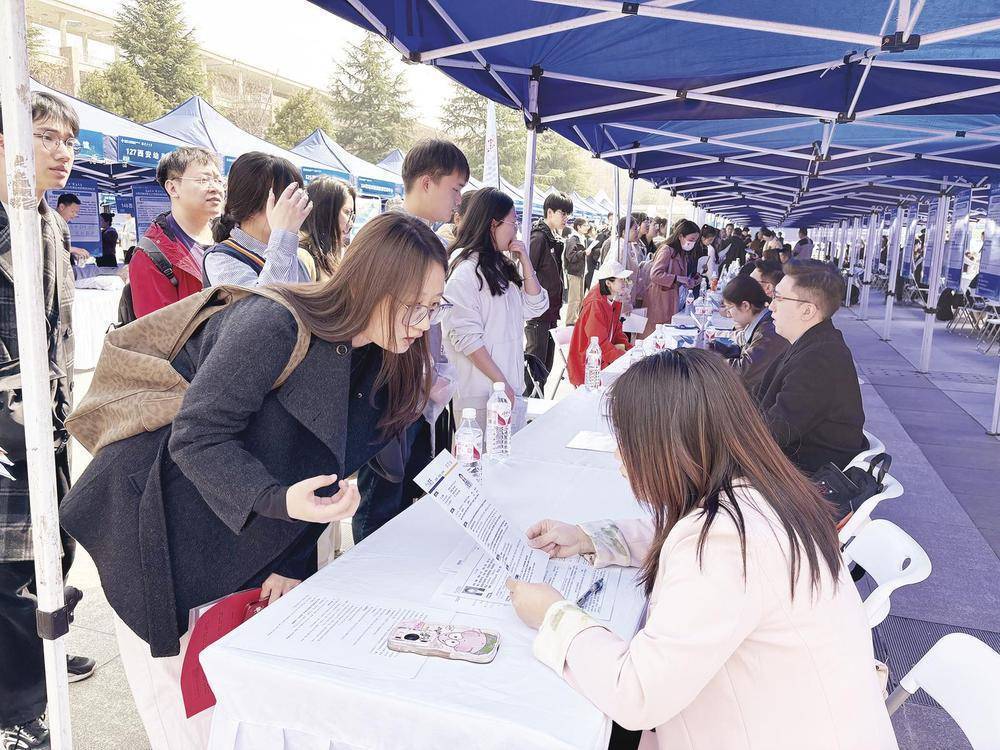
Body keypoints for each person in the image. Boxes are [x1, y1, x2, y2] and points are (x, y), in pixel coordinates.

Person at [60, 213, 448, 750]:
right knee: (187, 722)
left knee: (243, 716)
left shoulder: (384, 360)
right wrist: (277, 499)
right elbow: (196, 436)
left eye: (435, 306)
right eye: (413, 306)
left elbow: (330, 468)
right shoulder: (274, 322)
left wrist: (294, 557)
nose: (423, 322)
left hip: (248, 548)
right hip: (158, 528)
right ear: (369, 283)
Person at [506, 349, 897, 750]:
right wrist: (589, 538)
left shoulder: (726, 542)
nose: (618, 455)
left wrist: (553, 616)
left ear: (666, 445)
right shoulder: (764, 493)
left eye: (626, 440)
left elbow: (637, 693)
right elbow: (673, 532)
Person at [1, 91, 95, 750]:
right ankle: (18, 707)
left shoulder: (51, 223)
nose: (62, 151)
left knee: (53, 548)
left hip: (49, 420)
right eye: (46, 137)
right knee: (10, 563)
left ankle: (41, 659)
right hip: (6, 422)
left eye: (68, 140)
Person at [353, 139, 468, 543]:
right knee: (379, 502)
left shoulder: (431, 241)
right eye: (455, 188)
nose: (459, 200)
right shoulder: (387, 239)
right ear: (426, 182)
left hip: (417, 394)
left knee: (403, 500)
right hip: (385, 393)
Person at [442, 188, 548, 429]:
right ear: (493, 224)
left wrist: (526, 261)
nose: (516, 230)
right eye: (513, 223)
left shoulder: (500, 267)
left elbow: (535, 306)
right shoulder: (465, 273)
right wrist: (501, 384)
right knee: (484, 453)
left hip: (507, 388)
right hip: (480, 396)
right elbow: (467, 339)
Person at [756, 260, 867, 473]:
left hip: (803, 479)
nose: (771, 306)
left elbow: (774, 431)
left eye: (779, 298)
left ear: (807, 311)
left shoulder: (821, 359)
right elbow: (757, 399)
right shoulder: (812, 344)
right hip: (790, 465)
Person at [129, 147, 223, 317]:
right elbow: (157, 330)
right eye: (203, 180)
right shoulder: (151, 256)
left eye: (218, 180)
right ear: (172, 188)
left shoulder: (229, 236)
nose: (215, 187)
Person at [202, 152, 312, 287]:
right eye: (285, 199)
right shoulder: (220, 259)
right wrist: (283, 235)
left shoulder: (293, 256)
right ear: (250, 205)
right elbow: (267, 300)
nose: (294, 207)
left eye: (298, 197)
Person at [523, 192, 572, 395]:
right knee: (536, 366)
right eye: (563, 213)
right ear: (550, 212)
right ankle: (531, 402)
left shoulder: (552, 238)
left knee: (546, 365)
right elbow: (526, 272)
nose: (566, 218)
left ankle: (537, 400)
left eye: (568, 214)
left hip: (550, 311)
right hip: (538, 313)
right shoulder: (538, 238)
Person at [712, 275, 789, 392]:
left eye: (729, 308)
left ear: (745, 306)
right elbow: (746, 352)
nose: (728, 314)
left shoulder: (769, 331)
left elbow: (743, 371)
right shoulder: (762, 324)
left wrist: (710, 361)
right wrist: (715, 348)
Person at [567, 259, 633, 387]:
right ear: (608, 283)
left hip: (603, 359)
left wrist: (630, 350)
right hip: (589, 365)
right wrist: (623, 357)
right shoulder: (595, 304)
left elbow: (617, 332)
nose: (624, 282)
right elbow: (598, 343)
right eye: (621, 279)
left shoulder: (611, 300)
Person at [641, 219, 700, 338]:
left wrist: (691, 280)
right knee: (655, 336)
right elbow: (655, 274)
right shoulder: (666, 250)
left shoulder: (681, 253)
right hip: (659, 300)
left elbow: (681, 276)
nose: (693, 243)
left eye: (695, 240)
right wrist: (678, 279)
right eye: (691, 239)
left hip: (671, 300)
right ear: (681, 236)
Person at [298, 176, 356, 281]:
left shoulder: (333, 254)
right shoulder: (303, 256)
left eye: (351, 215)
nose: (350, 222)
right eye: (347, 212)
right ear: (326, 212)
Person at [563, 217, 590, 324]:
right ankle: (570, 321)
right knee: (574, 299)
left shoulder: (581, 238)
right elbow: (570, 256)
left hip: (580, 272)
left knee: (580, 298)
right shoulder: (573, 239)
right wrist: (583, 253)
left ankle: (577, 320)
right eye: (585, 225)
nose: (587, 227)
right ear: (578, 227)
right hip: (574, 272)